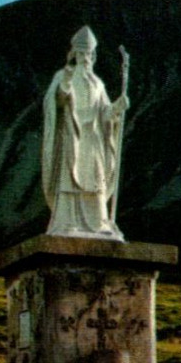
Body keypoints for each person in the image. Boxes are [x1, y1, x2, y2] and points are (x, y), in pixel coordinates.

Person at [40, 26, 130, 239]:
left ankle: (98, 223)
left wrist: (117, 106)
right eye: (81, 53)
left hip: (94, 138)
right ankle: (67, 222)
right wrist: (65, 84)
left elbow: (105, 113)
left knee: (95, 178)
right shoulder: (64, 75)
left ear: (93, 55)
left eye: (88, 54)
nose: (85, 58)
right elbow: (57, 101)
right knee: (70, 177)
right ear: (74, 54)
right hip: (73, 134)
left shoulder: (98, 83)